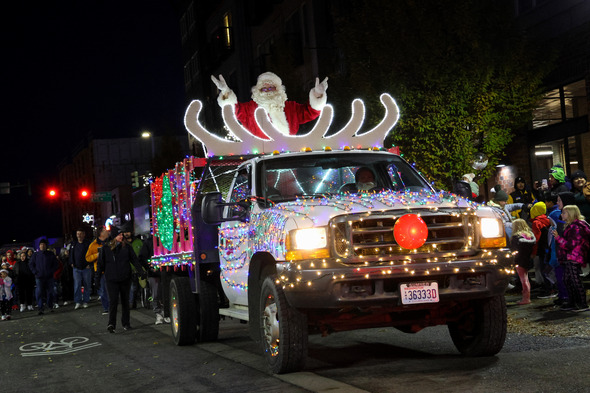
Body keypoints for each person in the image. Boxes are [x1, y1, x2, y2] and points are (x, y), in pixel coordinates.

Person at [212, 72, 328, 138]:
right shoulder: (249, 109)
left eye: (271, 87)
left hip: (288, 155)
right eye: (264, 88)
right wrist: (226, 92)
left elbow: (310, 112)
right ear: (257, 90)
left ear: (278, 89)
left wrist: (317, 94)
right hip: (261, 157)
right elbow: (234, 109)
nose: (268, 91)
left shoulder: (290, 108)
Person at [97, 227, 146, 333]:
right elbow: (100, 264)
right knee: (113, 301)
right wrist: (96, 279)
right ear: (114, 237)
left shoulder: (127, 248)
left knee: (125, 301)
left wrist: (141, 272)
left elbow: (134, 260)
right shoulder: (106, 248)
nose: (121, 237)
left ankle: (126, 323)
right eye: (119, 235)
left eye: (122, 235)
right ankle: (111, 324)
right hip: (111, 279)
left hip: (125, 278)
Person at [552, 205, 590, 312]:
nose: (561, 215)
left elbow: (571, 245)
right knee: (567, 279)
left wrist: (558, 238)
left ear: (571, 214)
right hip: (569, 257)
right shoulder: (571, 226)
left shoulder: (576, 227)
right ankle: (573, 302)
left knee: (574, 279)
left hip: (574, 256)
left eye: (564, 213)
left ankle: (582, 304)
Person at [29, 239, 59, 315]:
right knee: (39, 293)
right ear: (39, 246)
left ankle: (50, 306)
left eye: (44, 244)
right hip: (39, 277)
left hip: (49, 277)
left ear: (46, 246)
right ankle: (40, 308)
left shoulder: (50, 254)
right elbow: (31, 264)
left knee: (50, 292)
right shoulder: (36, 255)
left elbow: (56, 264)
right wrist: (35, 272)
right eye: (41, 244)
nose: (42, 246)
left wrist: (51, 271)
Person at [510, 219, 536, 305]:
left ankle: (526, 299)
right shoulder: (529, 236)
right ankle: (526, 297)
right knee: (526, 279)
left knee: (523, 280)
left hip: (519, 260)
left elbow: (513, 251)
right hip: (527, 259)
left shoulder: (516, 238)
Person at [86, 226, 111, 315]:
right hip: (100, 271)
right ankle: (106, 308)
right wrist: (97, 255)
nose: (108, 232)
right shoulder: (93, 244)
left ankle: (112, 305)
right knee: (103, 290)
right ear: (101, 233)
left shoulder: (110, 242)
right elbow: (88, 258)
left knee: (111, 289)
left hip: (110, 270)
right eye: (105, 231)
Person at [70, 228, 92, 309]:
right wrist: (71, 263)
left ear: (84, 234)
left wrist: (89, 264)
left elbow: (92, 254)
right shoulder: (73, 244)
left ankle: (86, 301)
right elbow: (71, 254)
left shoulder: (88, 243)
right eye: (77, 233)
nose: (79, 235)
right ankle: (78, 301)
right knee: (77, 285)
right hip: (76, 268)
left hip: (86, 268)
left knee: (87, 284)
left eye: (80, 233)